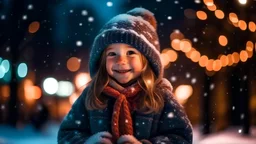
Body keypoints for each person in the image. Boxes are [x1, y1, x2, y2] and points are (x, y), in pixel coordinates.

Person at [58, 7, 193, 144]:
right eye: (112, 54)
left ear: (147, 60)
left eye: (130, 53)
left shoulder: (161, 97)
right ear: (102, 61)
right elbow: (67, 134)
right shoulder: (92, 94)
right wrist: (87, 142)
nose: (121, 60)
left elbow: (181, 137)